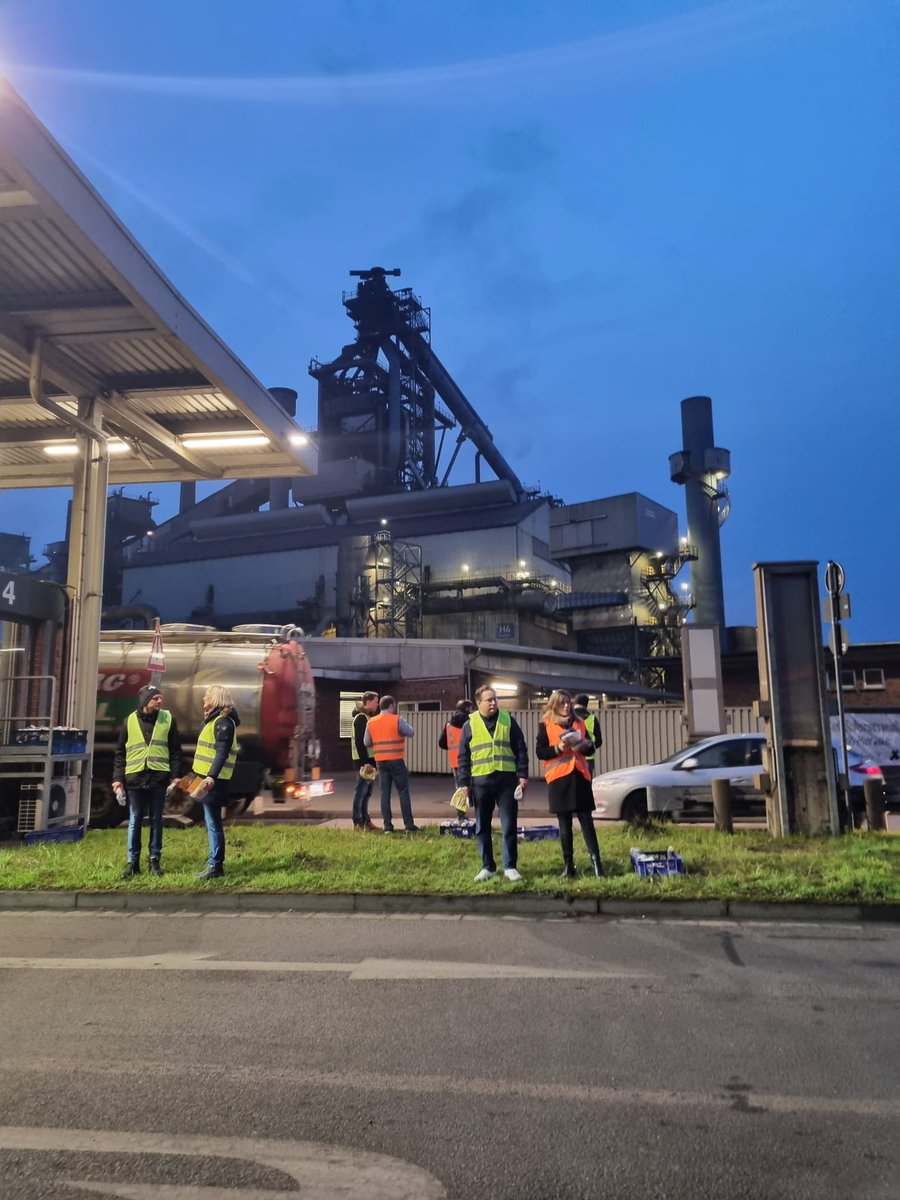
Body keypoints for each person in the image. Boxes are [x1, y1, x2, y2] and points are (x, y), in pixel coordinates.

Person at [457, 685, 529, 883]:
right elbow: (463, 756)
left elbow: (521, 748)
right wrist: (464, 783)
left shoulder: (507, 720)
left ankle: (510, 866)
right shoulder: (469, 725)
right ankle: (487, 867)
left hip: (506, 781)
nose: (493, 703)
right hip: (481, 782)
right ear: (478, 703)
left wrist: (523, 776)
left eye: (495, 699)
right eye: (489, 700)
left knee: (509, 824)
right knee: (482, 827)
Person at [113, 684, 184, 879]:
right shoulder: (129, 721)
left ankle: (154, 860)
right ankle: (132, 862)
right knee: (135, 820)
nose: (160, 701)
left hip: (158, 778)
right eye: (156, 698)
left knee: (156, 820)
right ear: (145, 701)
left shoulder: (168, 720)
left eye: (160, 698)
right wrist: (117, 781)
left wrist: (175, 777)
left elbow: (175, 751)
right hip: (135, 778)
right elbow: (120, 753)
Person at [536, 689, 603, 879]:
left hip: (580, 776)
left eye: (568, 703)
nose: (566, 706)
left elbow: (592, 744)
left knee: (586, 822)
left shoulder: (579, 723)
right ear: (554, 705)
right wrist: (558, 748)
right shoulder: (546, 724)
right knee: (564, 824)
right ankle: (569, 867)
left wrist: (585, 745)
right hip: (559, 779)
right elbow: (540, 752)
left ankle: (597, 866)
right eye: (562, 703)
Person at [191, 684, 240, 879]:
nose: (204, 699)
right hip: (204, 777)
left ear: (217, 699)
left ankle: (215, 865)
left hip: (213, 780)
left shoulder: (223, 723)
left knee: (213, 823)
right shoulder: (214, 721)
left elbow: (221, 752)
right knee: (209, 820)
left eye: (207, 696)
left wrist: (211, 776)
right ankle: (213, 862)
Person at [364, 695, 419, 833]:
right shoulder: (396, 719)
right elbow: (411, 732)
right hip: (396, 760)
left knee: (384, 794)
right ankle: (409, 825)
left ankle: (388, 827)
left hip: (380, 762)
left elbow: (366, 742)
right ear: (391, 706)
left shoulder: (371, 722)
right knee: (403, 792)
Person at [350, 691, 380, 831]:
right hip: (364, 762)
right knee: (361, 791)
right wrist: (365, 763)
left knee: (366, 793)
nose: (377, 704)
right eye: (375, 701)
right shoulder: (361, 718)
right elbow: (360, 743)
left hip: (369, 761)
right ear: (368, 702)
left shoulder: (367, 717)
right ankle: (358, 822)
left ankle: (365, 821)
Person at [438, 699, 475, 786]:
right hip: (471, 759)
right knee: (473, 788)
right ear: (467, 709)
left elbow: (441, 743)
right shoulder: (472, 723)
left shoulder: (449, 724)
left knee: (460, 790)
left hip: (455, 760)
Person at [573, 694, 603, 776]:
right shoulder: (592, 719)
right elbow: (599, 742)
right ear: (586, 704)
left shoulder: (568, 718)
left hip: (571, 757)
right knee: (586, 784)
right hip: (588, 759)